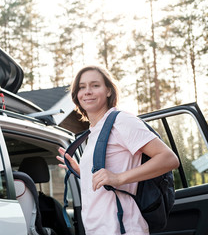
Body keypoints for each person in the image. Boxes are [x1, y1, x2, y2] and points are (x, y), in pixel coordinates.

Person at [56, 65, 179, 235]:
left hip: (123, 228)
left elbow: (168, 159)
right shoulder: (95, 132)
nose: (87, 91)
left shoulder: (121, 121)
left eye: (95, 85)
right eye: (82, 87)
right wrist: (82, 171)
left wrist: (119, 178)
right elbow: (107, 175)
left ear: (108, 91)